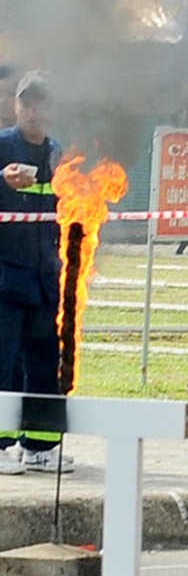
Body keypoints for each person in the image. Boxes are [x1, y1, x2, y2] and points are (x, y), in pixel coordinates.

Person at [0, 71, 68, 474]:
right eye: (27, 103)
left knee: (45, 362)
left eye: (41, 104)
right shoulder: (2, 146)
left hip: (45, 277)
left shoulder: (57, 154)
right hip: (7, 278)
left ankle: (40, 446)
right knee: (2, 363)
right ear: (16, 106)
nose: (34, 112)